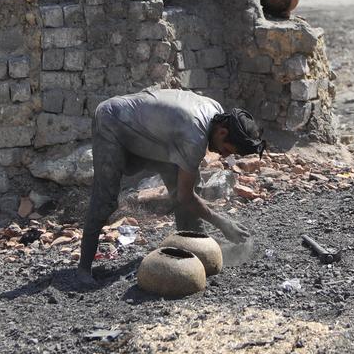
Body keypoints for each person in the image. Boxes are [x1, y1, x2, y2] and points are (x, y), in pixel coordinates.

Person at [77, 88, 264, 282]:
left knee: (188, 183)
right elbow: (186, 196)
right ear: (223, 132)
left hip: (155, 135)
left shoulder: (216, 110)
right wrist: (223, 223)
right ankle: (84, 270)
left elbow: (185, 191)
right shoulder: (195, 136)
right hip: (112, 122)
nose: (224, 156)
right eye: (225, 149)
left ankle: (196, 247)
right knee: (105, 200)